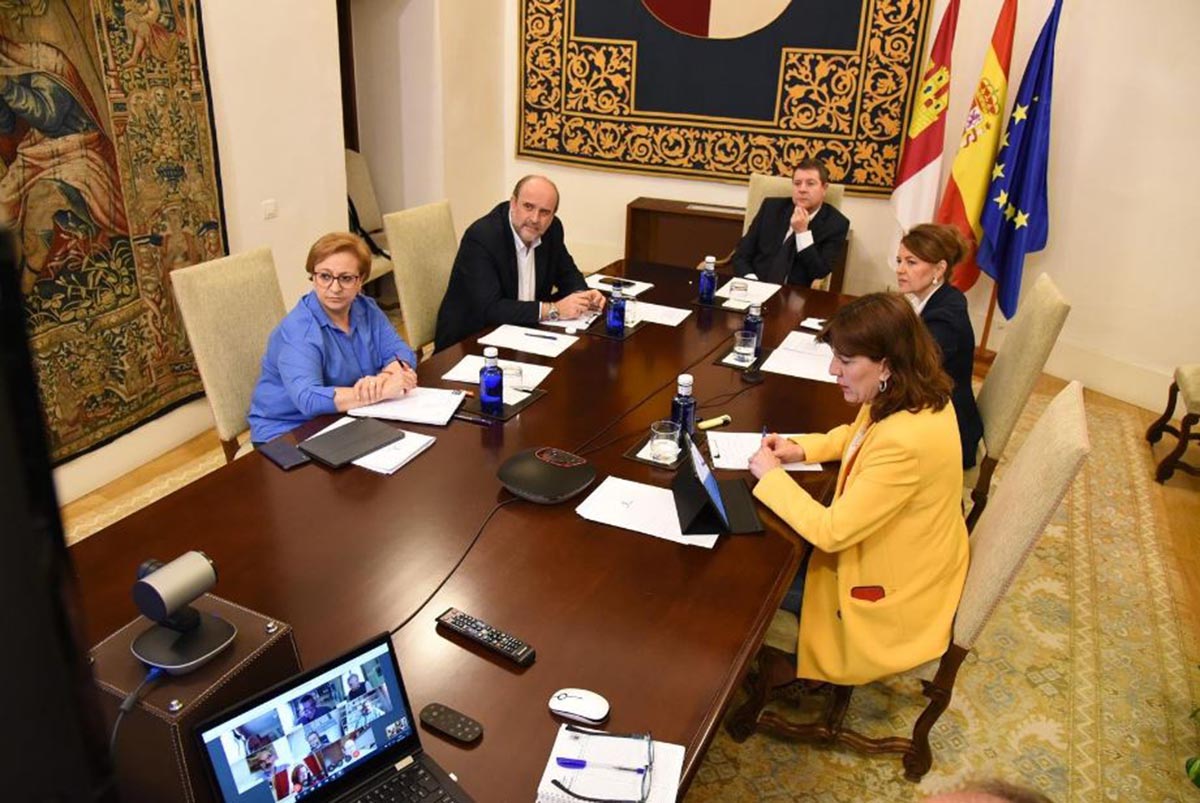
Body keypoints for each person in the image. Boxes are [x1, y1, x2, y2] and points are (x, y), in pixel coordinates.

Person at [748, 293, 969, 685]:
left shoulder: (905, 442)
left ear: (885, 364)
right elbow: (856, 435)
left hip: (889, 595)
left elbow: (832, 533)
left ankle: (776, 669)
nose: (834, 370)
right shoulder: (911, 392)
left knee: (752, 577)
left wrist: (772, 477)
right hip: (906, 552)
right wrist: (800, 448)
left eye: (846, 362)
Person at [248, 233, 418, 443]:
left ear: (361, 280)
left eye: (346, 278)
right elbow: (309, 399)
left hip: (344, 418)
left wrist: (387, 376)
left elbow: (400, 352)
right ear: (313, 276)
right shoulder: (298, 330)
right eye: (325, 276)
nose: (335, 288)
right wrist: (383, 390)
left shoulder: (366, 308)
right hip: (289, 432)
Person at [433, 175, 605, 351]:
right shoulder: (482, 237)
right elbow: (490, 309)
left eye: (545, 212)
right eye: (528, 207)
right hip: (470, 343)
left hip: (524, 333)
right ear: (513, 203)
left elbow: (567, 273)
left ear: (553, 215)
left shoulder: (552, 229)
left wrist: (584, 295)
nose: (535, 219)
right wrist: (554, 309)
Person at [895, 223, 984, 468]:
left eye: (911, 263)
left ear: (939, 268)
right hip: (930, 410)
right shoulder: (936, 299)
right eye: (899, 261)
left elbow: (909, 369)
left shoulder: (946, 318)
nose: (900, 270)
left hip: (949, 434)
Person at [733, 158, 850, 286]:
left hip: (794, 295)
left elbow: (819, 272)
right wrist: (751, 281)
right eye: (797, 183)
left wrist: (802, 233)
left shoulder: (836, 224)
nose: (802, 189)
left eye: (810, 183)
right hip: (754, 285)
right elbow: (741, 254)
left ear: (824, 188)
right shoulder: (771, 208)